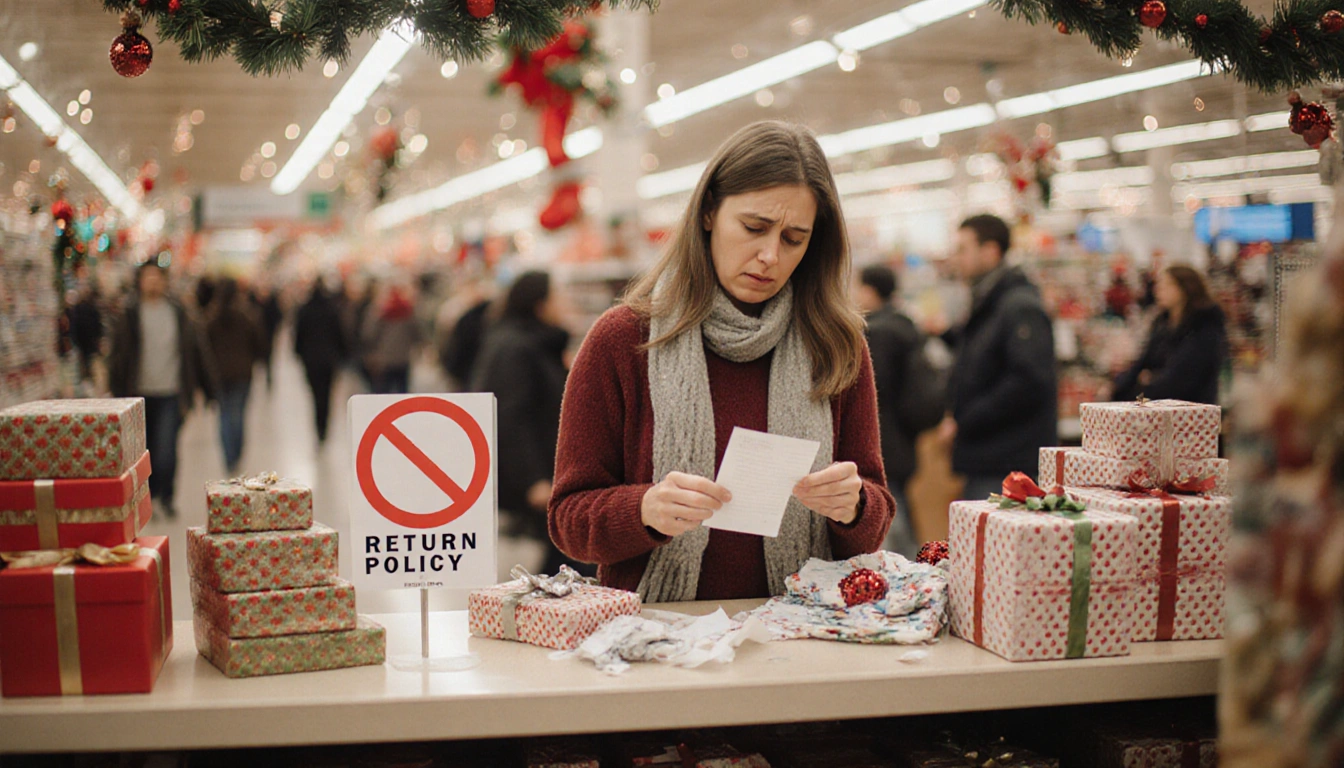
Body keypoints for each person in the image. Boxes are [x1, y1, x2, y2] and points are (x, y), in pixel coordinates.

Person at [548, 121, 895, 602]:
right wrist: (644, 508)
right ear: (709, 211)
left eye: (794, 238)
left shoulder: (835, 343)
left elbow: (874, 514)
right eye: (753, 228)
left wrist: (854, 505)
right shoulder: (625, 339)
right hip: (657, 641)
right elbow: (567, 520)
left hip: (801, 634)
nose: (769, 255)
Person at [470, 271, 583, 575]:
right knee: (571, 554)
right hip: (535, 475)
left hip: (547, 469)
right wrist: (533, 480)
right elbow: (511, 417)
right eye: (560, 296)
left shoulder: (532, 343)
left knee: (565, 554)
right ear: (540, 304)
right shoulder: (517, 348)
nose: (568, 302)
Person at [941, 214, 1057, 503]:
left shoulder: (1018, 306)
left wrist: (966, 418)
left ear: (990, 251)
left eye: (962, 249)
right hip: (989, 454)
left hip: (1008, 463)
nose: (955, 258)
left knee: (993, 547)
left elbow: (1028, 381)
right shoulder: (989, 303)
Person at [108, 262, 215, 519]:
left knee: (167, 448)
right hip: (139, 393)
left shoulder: (178, 312)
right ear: (140, 281)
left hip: (172, 391)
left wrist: (208, 387)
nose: (153, 282)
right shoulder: (130, 314)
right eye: (148, 278)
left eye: (158, 277)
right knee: (146, 450)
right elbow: (118, 355)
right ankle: (150, 497)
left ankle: (165, 495)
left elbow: (195, 350)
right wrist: (116, 390)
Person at [855, 264, 943, 556]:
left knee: (894, 518)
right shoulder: (905, 325)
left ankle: (913, 575)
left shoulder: (879, 334)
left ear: (869, 291)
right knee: (899, 507)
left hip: (886, 442)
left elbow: (873, 395)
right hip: (903, 440)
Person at [1112, 265, 1227, 405]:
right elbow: (1143, 362)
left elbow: (1181, 378)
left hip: (1192, 412)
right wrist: (1118, 388)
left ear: (1184, 288)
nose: (1158, 290)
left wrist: (1145, 384)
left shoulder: (1205, 327)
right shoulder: (1162, 324)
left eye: (1166, 284)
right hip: (1157, 408)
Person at [205, 278, 266, 476]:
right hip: (242, 373)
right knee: (238, 414)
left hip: (219, 374)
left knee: (223, 415)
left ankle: (229, 457)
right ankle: (237, 455)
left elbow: (204, 347)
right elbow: (259, 342)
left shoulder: (211, 317)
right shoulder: (246, 315)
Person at [293, 280, 347, 444]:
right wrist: (342, 354)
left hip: (310, 360)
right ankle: (324, 427)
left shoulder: (304, 310)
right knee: (327, 395)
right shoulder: (332, 310)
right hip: (329, 360)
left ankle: (318, 426)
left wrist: (298, 353)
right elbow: (340, 334)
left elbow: (298, 335)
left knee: (315, 394)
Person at [361, 285, 422, 394]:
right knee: (402, 392)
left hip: (384, 360)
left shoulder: (378, 311)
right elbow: (417, 334)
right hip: (403, 358)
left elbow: (369, 334)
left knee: (382, 393)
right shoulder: (407, 311)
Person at [67, 283, 104, 383]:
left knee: (85, 362)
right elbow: (98, 325)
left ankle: (86, 379)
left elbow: (74, 327)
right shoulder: (92, 308)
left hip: (83, 342)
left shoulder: (77, 309)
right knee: (90, 362)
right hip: (89, 342)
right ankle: (89, 379)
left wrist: (75, 340)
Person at [251, 282, 283, 389]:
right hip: (261, 335)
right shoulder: (254, 302)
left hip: (269, 334)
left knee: (269, 356)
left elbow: (278, 317)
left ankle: (268, 375)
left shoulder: (271, 303)